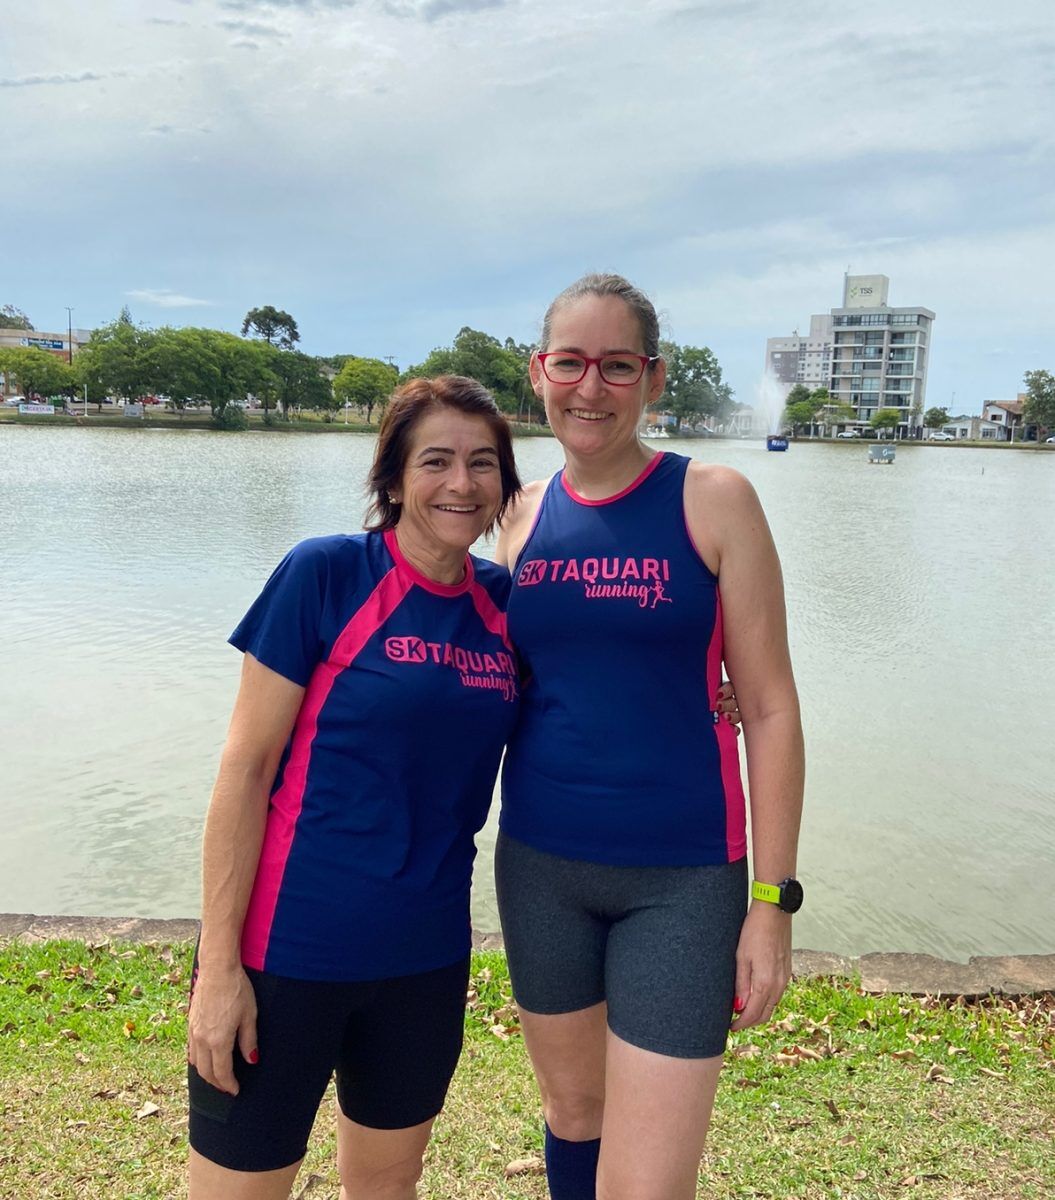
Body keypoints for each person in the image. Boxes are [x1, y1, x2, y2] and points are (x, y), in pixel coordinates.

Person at [494, 273, 804, 1200]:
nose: (590, 387)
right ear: (538, 372)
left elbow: (772, 709)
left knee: (648, 1184)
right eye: (570, 363)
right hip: (541, 869)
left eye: (617, 366)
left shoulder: (714, 499)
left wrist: (772, 903)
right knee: (574, 1123)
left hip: (684, 880)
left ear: (653, 378)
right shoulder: (512, 518)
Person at [186, 375, 524, 1199]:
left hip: (424, 961)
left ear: (504, 486)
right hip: (286, 956)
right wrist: (218, 970)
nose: (460, 483)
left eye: (482, 464)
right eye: (435, 460)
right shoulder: (327, 574)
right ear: (394, 477)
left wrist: (712, 693)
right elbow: (244, 770)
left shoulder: (509, 608)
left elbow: (602, 688)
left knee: (385, 1188)